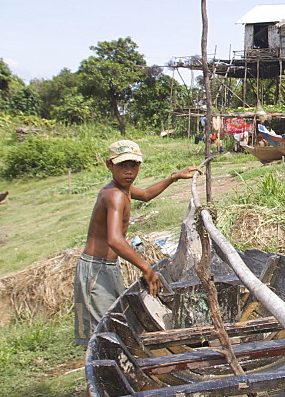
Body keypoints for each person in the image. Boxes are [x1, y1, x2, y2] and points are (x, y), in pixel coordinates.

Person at [74, 140, 201, 347]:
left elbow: (147, 195)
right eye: (122, 165)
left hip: (108, 267)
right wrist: (146, 268)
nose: (129, 171)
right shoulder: (114, 195)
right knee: (101, 331)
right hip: (96, 269)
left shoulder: (124, 189)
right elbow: (114, 239)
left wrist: (174, 177)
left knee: (111, 321)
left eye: (133, 165)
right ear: (109, 165)